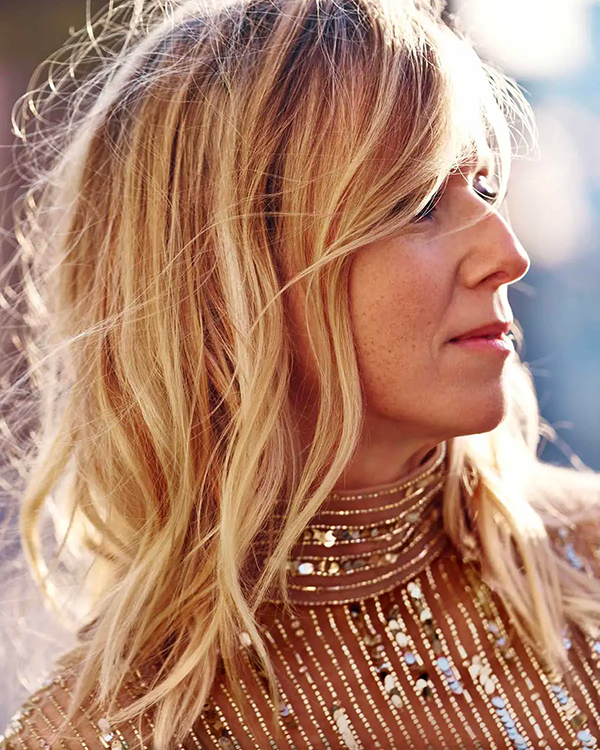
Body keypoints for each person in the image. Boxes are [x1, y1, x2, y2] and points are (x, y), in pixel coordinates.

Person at [2, 0, 600, 748]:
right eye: (417, 202)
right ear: (228, 280)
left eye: (482, 187)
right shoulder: (110, 731)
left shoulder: (589, 561)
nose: (509, 254)